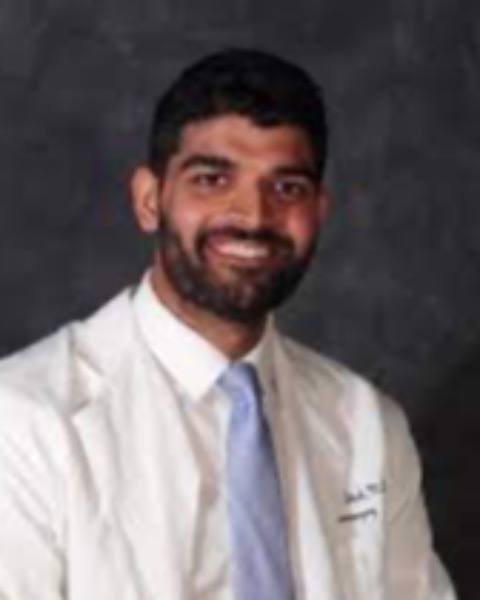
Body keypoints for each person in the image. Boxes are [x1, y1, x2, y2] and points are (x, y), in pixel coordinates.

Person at [0, 48, 455, 600]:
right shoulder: (23, 421)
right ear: (149, 200)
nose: (254, 216)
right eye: (213, 179)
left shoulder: (367, 424)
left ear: (319, 211)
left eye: (286, 188)